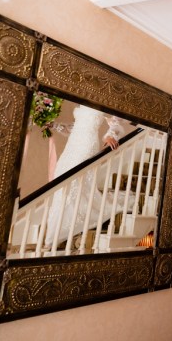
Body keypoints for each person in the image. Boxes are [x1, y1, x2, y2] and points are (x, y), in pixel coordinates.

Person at [45, 105, 125, 248]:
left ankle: (63, 229)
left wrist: (111, 135)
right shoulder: (82, 101)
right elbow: (76, 127)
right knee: (61, 176)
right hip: (73, 144)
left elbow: (116, 119)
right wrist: (55, 125)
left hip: (87, 143)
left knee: (75, 180)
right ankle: (57, 228)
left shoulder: (102, 97)